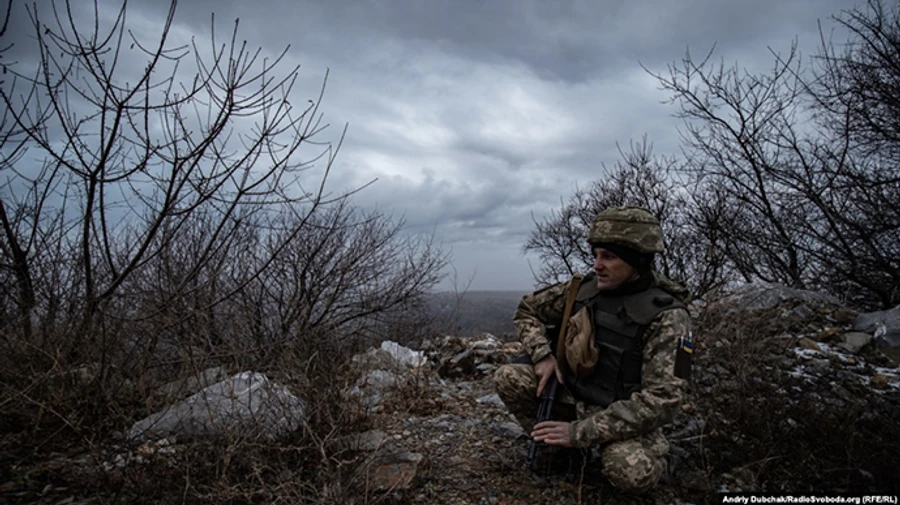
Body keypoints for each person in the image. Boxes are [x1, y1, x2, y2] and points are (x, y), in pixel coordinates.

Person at [494, 206, 693, 495]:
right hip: (574, 396)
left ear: (637, 261)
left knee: (632, 474)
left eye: (609, 257)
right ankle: (562, 454)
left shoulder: (670, 318)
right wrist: (542, 356)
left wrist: (579, 433)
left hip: (621, 416)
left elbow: (666, 400)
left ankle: (661, 458)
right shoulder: (583, 289)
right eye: (596, 255)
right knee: (508, 377)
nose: (597, 265)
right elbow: (527, 310)